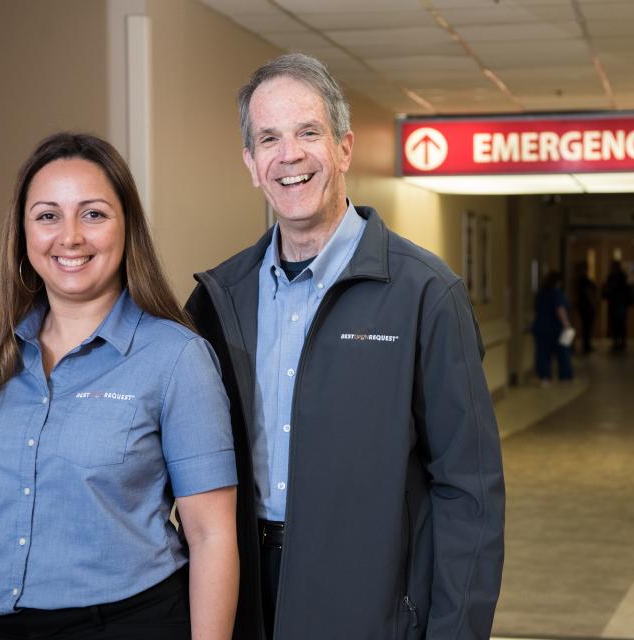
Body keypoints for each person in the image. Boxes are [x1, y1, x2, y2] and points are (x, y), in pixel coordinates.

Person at [185, 53, 505, 640]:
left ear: (344, 149)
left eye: (309, 132)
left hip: (370, 606)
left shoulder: (425, 295)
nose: (291, 155)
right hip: (243, 597)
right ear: (252, 164)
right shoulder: (217, 300)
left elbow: (470, 492)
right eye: (270, 139)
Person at [0, 133, 239, 640]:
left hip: (129, 624)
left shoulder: (176, 357)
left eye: (93, 214)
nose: (70, 237)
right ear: (23, 234)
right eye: (48, 215)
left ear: (126, 228)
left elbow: (211, 533)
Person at [532, 271, 574, 383]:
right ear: (559, 282)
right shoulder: (556, 293)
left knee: (543, 354)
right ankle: (565, 376)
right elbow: (560, 309)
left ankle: (544, 377)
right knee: (563, 353)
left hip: (541, 328)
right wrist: (567, 325)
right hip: (555, 329)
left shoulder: (541, 294)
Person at [603, 260, 633, 352]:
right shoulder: (611, 276)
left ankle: (621, 342)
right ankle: (616, 342)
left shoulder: (621, 276)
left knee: (621, 324)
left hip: (620, 304)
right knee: (615, 324)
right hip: (614, 304)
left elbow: (622, 289)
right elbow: (607, 289)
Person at [573, 261, 597, 355]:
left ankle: (587, 344)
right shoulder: (583, 281)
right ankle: (586, 345)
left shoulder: (583, 280)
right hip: (586, 307)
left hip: (585, 306)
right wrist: (593, 303)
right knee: (586, 327)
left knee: (587, 327)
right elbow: (589, 293)